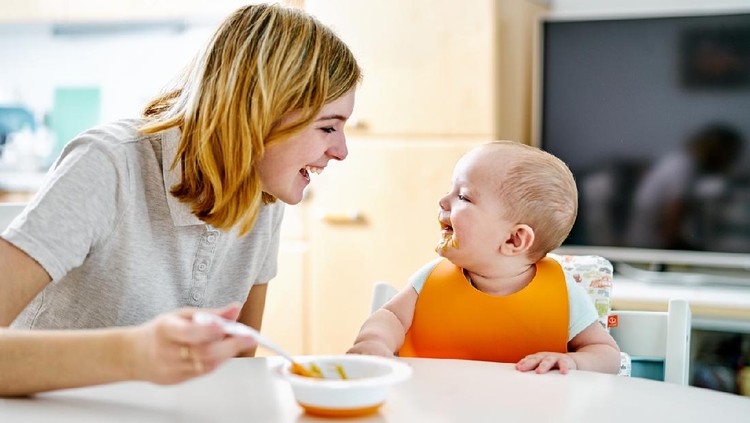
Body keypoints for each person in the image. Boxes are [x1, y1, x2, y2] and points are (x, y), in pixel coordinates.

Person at [0, 3, 361, 396]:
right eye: (328, 127)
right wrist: (134, 354)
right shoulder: (108, 164)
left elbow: (236, 369)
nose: (341, 151)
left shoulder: (264, 196)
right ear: (259, 112)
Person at [348, 141, 621, 374]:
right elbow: (391, 318)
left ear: (514, 240)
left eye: (463, 197)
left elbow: (606, 354)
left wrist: (572, 362)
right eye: (450, 190)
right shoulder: (430, 281)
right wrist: (375, 342)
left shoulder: (563, 294)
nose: (443, 201)